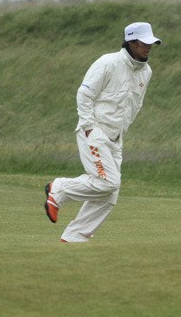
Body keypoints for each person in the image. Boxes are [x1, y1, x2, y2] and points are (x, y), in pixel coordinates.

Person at [44, 22, 161, 243]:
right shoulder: (108, 62)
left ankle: (72, 239)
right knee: (108, 183)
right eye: (144, 43)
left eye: (151, 43)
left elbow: (135, 105)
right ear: (131, 42)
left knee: (109, 197)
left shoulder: (146, 72)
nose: (148, 47)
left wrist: (119, 132)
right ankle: (58, 189)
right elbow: (84, 95)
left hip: (116, 138)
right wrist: (89, 127)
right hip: (94, 131)